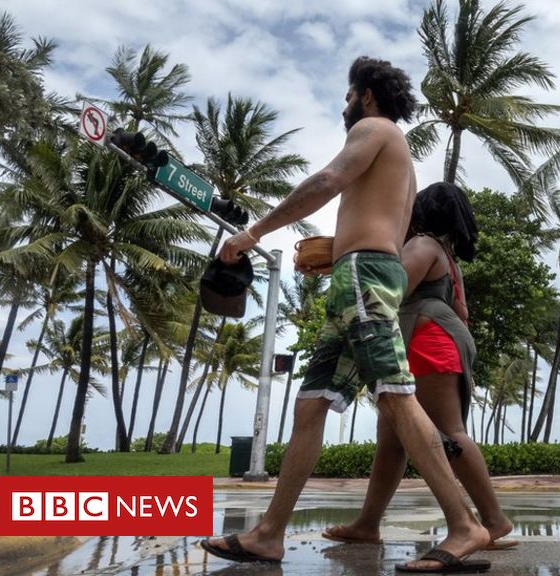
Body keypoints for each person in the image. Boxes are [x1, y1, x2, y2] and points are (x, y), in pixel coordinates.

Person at [200, 57, 491, 573]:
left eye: (348, 95)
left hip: (364, 278)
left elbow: (329, 179)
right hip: (356, 277)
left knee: (397, 397)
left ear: (368, 96)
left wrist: (255, 233)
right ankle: (269, 534)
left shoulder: (376, 129)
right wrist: (336, 253)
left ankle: (465, 526)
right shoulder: (396, 155)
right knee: (310, 405)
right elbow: (377, 226)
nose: (345, 105)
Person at [320, 182, 516, 550]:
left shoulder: (423, 245)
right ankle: (367, 523)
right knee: (391, 440)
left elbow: (389, 290)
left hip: (427, 344)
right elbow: (463, 313)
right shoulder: (447, 258)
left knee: (449, 431)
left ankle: (494, 519)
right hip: (435, 342)